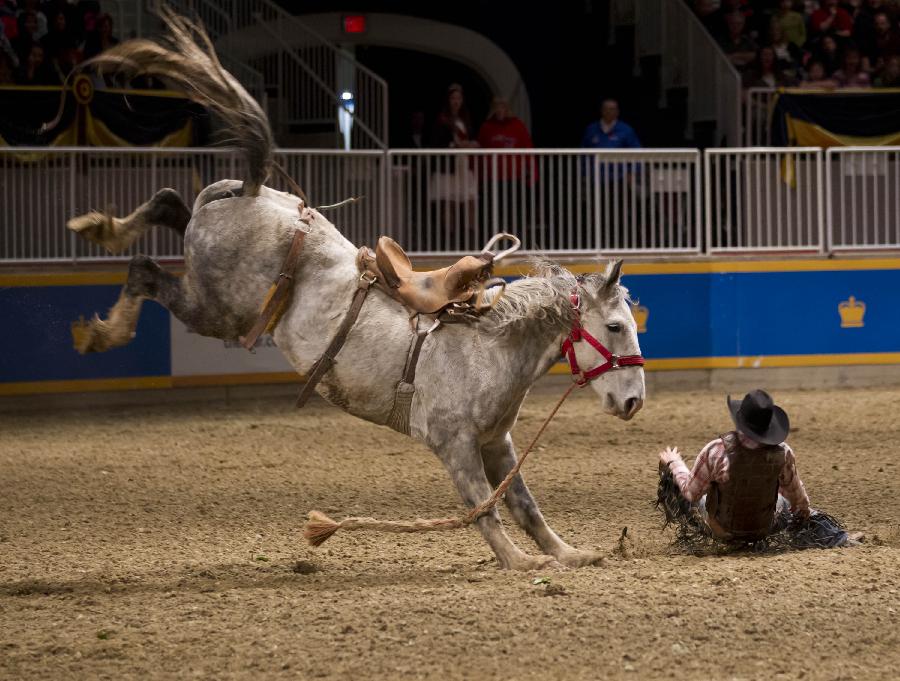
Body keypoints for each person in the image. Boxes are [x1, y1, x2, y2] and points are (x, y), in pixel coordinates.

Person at [657, 389, 857, 547]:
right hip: (764, 527)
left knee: (684, 488)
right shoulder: (783, 453)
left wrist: (675, 464)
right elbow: (799, 500)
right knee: (792, 504)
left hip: (720, 528)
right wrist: (804, 515)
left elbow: (690, 493)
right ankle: (839, 539)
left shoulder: (715, 451)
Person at [477, 96, 536, 233]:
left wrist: (532, 172)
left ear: (507, 108)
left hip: (514, 177)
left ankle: (516, 240)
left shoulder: (518, 125)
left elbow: (528, 148)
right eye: (497, 106)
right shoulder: (487, 127)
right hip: (492, 178)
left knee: (515, 210)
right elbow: (479, 152)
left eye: (502, 106)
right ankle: (494, 239)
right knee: (494, 210)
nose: (500, 109)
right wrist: (478, 176)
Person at [428, 83, 478, 244]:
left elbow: (467, 138)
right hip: (448, 166)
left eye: (459, 98)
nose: (456, 101)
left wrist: (470, 144)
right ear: (448, 100)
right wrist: (456, 145)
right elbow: (436, 142)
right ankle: (449, 240)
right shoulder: (442, 119)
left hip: (464, 164)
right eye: (453, 98)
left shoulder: (465, 119)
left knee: (470, 201)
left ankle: (469, 240)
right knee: (449, 203)